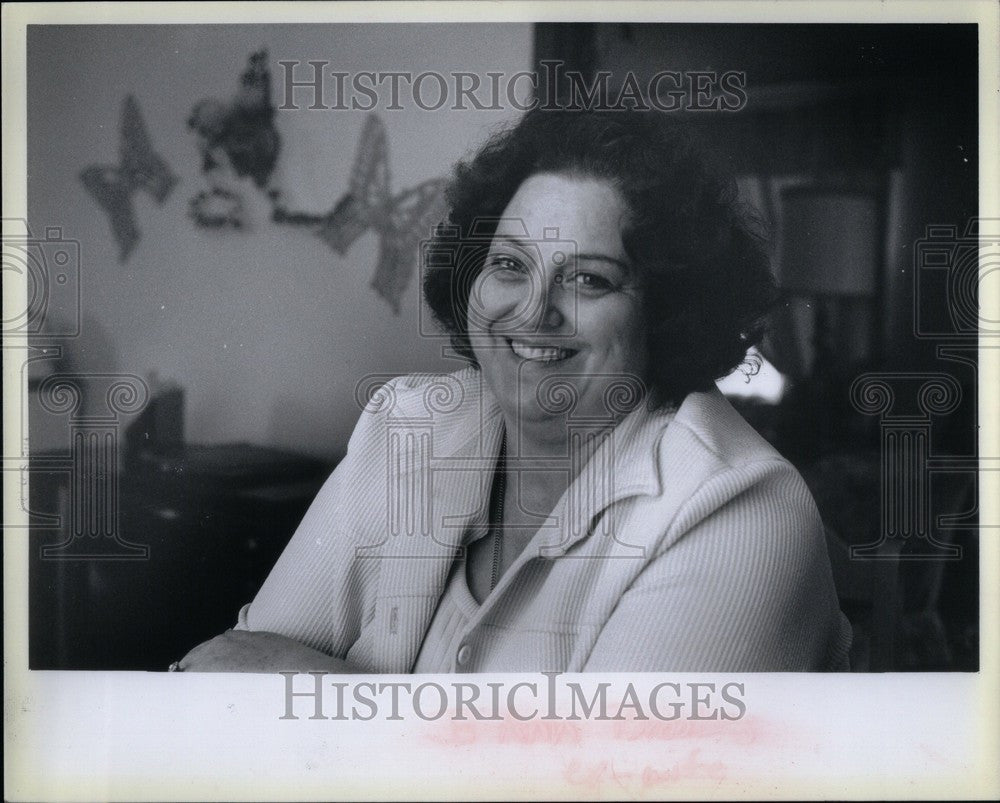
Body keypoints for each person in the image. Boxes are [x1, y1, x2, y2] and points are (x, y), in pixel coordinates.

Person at [178, 108, 852, 673]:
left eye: (588, 279)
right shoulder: (410, 427)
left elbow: (608, 781)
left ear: (669, 310)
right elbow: (235, 680)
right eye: (508, 264)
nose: (534, 312)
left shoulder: (741, 512)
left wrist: (314, 686)